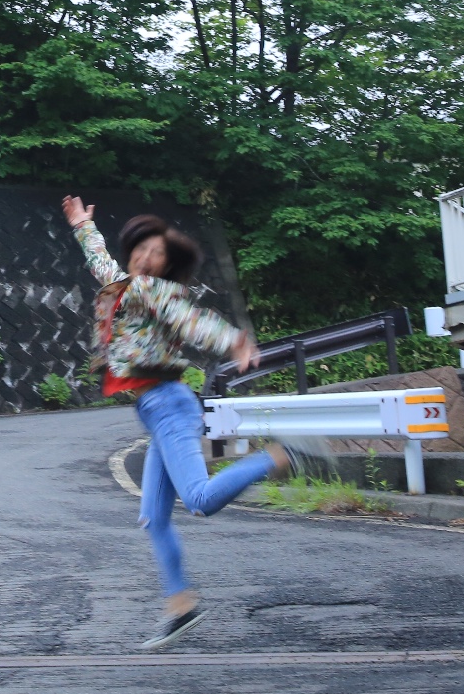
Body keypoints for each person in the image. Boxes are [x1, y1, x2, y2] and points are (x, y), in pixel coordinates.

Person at [61, 194, 298, 652]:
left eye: (157, 254)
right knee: (154, 519)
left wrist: (233, 342)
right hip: (157, 411)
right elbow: (101, 264)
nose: (147, 259)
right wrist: (82, 226)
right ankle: (181, 605)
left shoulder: (158, 292)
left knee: (200, 499)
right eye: (142, 250)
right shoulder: (126, 286)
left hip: (169, 406)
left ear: (166, 265)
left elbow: (192, 322)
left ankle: (277, 457)